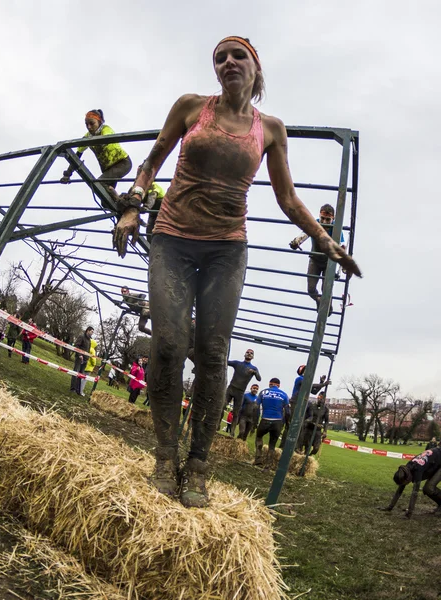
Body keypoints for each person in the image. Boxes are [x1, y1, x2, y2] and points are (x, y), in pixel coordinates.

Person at [113, 35, 361, 508]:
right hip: (172, 240)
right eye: (219, 58)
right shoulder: (191, 107)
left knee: (213, 353)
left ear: (255, 67)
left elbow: (287, 199)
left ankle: (199, 467)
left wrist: (325, 240)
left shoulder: (270, 129)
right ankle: (165, 458)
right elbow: (153, 158)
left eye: (237, 55)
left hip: (227, 249)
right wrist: (132, 206)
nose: (227, 62)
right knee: (168, 344)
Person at [60, 109, 132, 211]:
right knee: (105, 201)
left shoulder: (106, 129)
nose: (89, 127)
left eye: (92, 123)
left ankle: (121, 201)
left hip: (122, 163)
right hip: (108, 170)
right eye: (86, 124)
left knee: (99, 183)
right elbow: (77, 156)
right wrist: (67, 174)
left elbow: (107, 137)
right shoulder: (87, 137)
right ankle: (122, 212)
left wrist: (97, 141)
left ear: (100, 122)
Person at [290, 204, 346, 315]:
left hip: (328, 262)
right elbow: (304, 234)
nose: (324, 222)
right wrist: (296, 242)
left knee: (326, 288)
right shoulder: (314, 223)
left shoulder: (336, 229)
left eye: (328, 220)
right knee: (311, 289)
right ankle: (319, 300)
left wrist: (343, 266)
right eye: (322, 218)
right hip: (314, 260)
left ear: (333, 219)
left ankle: (327, 302)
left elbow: (342, 247)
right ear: (319, 216)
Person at [379, 447, 441, 518]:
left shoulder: (417, 470)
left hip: (438, 461)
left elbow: (415, 493)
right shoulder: (406, 469)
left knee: (429, 488)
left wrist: (409, 514)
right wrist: (390, 507)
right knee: (427, 489)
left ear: (407, 479)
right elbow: (400, 490)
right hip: (435, 461)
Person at [280, 365, 330, 448]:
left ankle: (296, 446)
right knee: (292, 424)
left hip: (302, 403)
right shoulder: (300, 379)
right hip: (295, 402)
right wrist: (324, 384)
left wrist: (321, 383)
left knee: (300, 426)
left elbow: (313, 391)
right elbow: (311, 385)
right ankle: (284, 445)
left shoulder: (306, 381)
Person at [224, 349, 261, 437]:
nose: (249, 354)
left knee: (236, 413)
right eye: (248, 352)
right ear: (244, 354)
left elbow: (259, 379)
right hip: (231, 388)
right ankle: (216, 424)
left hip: (240, 392)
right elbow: (226, 362)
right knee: (222, 405)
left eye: (251, 353)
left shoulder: (253, 368)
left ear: (253, 357)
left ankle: (232, 432)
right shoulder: (238, 363)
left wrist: (255, 372)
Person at [254, 378, 290, 468]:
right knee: (272, 445)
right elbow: (288, 412)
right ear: (278, 385)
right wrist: (287, 424)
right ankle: (268, 465)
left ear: (270, 384)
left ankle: (258, 459)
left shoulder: (263, 392)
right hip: (277, 422)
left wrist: (255, 420)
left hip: (265, 419)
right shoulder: (284, 395)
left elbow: (255, 407)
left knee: (259, 437)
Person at [70, 326, 94, 394]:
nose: (92, 333)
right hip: (79, 358)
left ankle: (78, 389)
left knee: (80, 375)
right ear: (88, 331)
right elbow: (76, 346)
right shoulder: (81, 336)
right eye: (91, 331)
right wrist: (79, 355)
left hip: (85, 360)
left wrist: (88, 357)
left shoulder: (89, 340)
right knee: (75, 373)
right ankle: (73, 388)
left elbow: (88, 349)